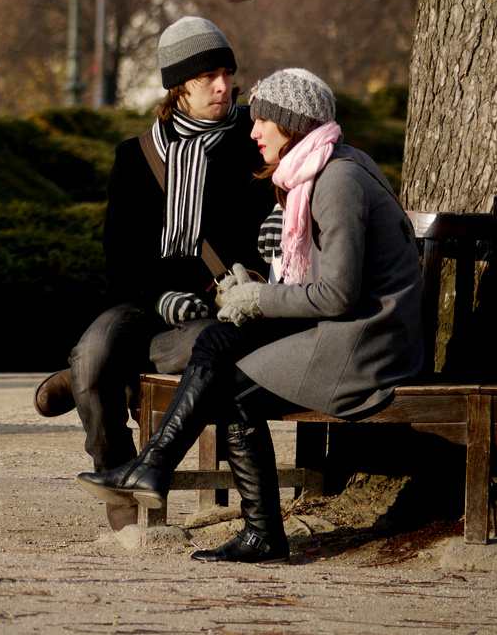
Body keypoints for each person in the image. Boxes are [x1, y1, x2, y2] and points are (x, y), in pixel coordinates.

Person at [76, 67, 424, 562]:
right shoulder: (316, 171)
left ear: (292, 125)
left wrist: (259, 301)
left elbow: (339, 294)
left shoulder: (339, 180)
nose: (253, 130)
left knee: (229, 382)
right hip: (344, 330)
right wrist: (256, 284)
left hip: (367, 343)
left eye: (263, 121)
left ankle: (255, 527)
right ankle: (155, 467)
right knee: (219, 343)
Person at [36, 17, 269, 530]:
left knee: (190, 348)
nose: (223, 86)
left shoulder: (255, 144)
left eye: (228, 74)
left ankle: (80, 379)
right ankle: (118, 488)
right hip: (142, 303)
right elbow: (117, 261)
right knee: (96, 351)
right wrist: (160, 297)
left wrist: (237, 283)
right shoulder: (136, 157)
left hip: (216, 310)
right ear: (177, 86)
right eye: (208, 76)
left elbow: (266, 246)